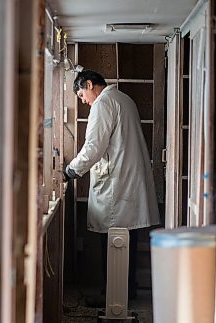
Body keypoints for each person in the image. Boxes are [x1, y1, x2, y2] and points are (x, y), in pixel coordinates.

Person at [63, 69, 159, 304]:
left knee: (114, 240)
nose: (84, 102)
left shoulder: (103, 103)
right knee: (128, 238)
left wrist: (71, 170)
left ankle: (114, 297)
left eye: (81, 95)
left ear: (89, 84)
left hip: (117, 183)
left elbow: (94, 147)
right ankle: (128, 291)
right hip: (127, 181)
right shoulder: (123, 99)